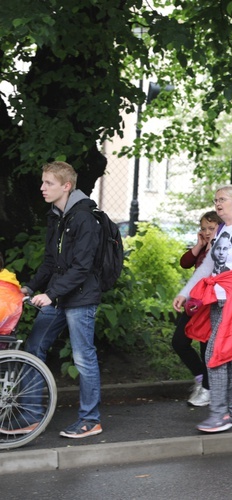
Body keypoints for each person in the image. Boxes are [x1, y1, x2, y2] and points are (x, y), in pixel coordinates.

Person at [19, 161, 104, 438]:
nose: (42, 188)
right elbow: (49, 262)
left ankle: (90, 420)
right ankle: (31, 416)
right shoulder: (56, 215)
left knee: (83, 358)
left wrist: (50, 294)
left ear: (66, 186)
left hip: (80, 297)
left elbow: (82, 267)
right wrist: (30, 288)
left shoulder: (84, 218)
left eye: (48, 183)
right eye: (43, 182)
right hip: (57, 294)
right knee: (34, 349)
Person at [173, 185, 232, 433]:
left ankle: (220, 414)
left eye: (222, 199)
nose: (218, 203)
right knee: (226, 356)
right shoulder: (222, 229)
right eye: (216, 200)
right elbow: (206, 268)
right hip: (217, 299)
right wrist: (186, 292)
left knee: (215, 356)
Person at [173, 211, 223, 407]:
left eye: (212, 228)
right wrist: (201, 244)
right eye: (204, 228)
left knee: (206, 346)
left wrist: (212, 246)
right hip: (195, 301)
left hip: (210, 302)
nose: (207, 232)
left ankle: (209, 390)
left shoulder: (223, 248)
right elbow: (185, 262)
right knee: (179, 341)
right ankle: (202, 378)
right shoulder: (204, 248)